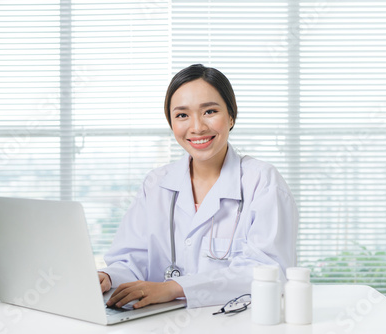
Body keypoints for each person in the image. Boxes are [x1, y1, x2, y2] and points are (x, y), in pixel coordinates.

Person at [98, 64, 298, 309]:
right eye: (182, 115)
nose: (197, 127)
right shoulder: (156, 184)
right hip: (162, 323)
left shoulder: (262, 181)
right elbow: (131, 259)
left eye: (210, 111)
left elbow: (269, 271)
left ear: (231, 116)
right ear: (171, 123)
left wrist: (175, 288)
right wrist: (108, 277)